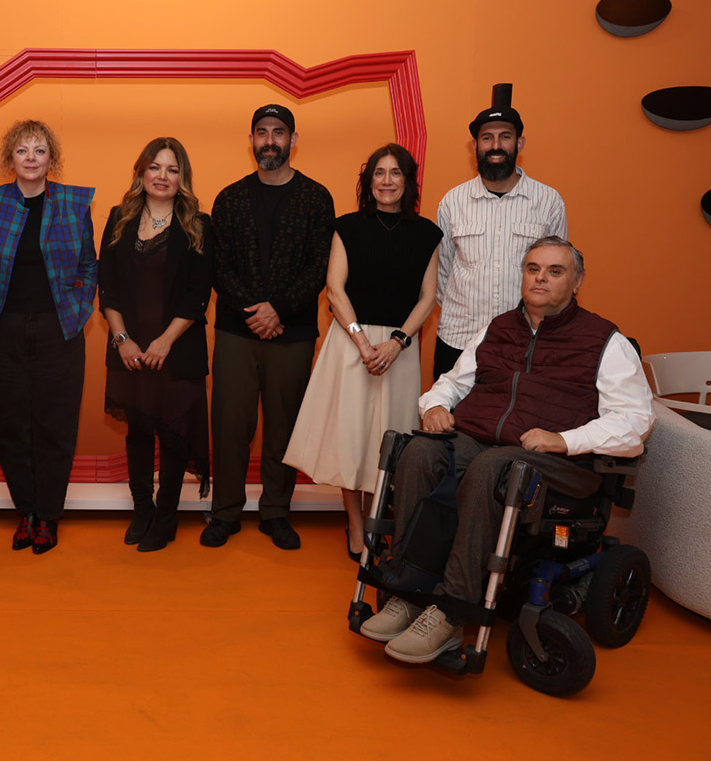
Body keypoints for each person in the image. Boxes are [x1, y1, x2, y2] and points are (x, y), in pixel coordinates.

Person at [360, 236, 655, 663]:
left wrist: (565, 440)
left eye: (555, 271)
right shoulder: (498, 328)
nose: (541, 278)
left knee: (492, 467)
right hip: (483, 442)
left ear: (577, 281)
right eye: (533, 268)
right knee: (422, 451)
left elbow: (635, 423)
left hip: (559, 461)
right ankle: (411, 592)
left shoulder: (604, 340)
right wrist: (437, 405)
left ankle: (451, 613)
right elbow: (454, 381)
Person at [283, 144, 441, 560]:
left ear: (408, 182)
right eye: (379, 173)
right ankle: (355, 525)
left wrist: (396, 343)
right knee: (350, 438)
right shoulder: (346, 227)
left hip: (399, 348)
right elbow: (334, 289)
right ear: (368, 181)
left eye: (395, 174)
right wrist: (362, 342)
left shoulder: (427, 234)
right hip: (351, 344)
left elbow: (428, 298)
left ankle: (378, 520)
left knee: (391, 437)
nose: (386, 181)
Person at [202, 104, 335, 550]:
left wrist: (278, 309)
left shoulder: (317, 198)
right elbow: (219, 267)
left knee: (284, 426)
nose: (270, 140)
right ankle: (224, 512)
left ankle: (276, 512)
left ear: (293, 140)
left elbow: (320, 267)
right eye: (262, 132)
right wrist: (257, 313)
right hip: (237, 332)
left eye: (279, 132)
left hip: (292, 332)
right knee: (230, 423)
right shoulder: (229, 198)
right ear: (252, 140)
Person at [0, 120, 96, 555]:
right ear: (10, 159)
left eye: (39, 151)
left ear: (51, 159)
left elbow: (88, 266)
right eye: (22, 151)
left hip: (59, 327)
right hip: (2, 328)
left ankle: (49, 515)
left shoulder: (74, 204)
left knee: (55, 425)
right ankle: (26, 512)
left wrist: (78, 312)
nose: (30, 159)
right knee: (13, 426)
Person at [99, 137, 212, 552]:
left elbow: (198, 294)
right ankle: (142, 511)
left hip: (177, 349)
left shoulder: (198, 224)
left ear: (182, 178)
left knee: (174, 434)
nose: (162, 176)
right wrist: (122, 338)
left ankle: (167, 517)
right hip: (128, 347)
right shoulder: (118, 219)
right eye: (155, 167)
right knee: (139, 430)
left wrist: (164, 342)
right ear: (141, 173)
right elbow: (106, 286)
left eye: (172, 169)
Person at [433, 84, 566, 379]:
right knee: (445, 420)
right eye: (487, 138)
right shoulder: (452, 201)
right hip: (458, 339)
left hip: (524, 342)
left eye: (505, 137)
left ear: (519, 144)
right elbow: (442, 273)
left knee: (518, 423)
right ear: (475, 146)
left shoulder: (548, 201)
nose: (495, 146)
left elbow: (559, 274)